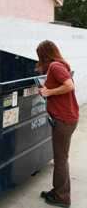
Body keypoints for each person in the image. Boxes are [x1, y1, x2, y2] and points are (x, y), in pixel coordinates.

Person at [35, 40, 79, 207]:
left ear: (44, 54)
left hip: (63, 120)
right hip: (67, 118)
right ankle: (57, 191)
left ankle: (63, 198)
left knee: (61, 160)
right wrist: (47, 90)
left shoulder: (55, 66)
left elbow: (69, 86)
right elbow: (62, 86)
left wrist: (49, 91)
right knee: (60, 158)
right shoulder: (60, 65)